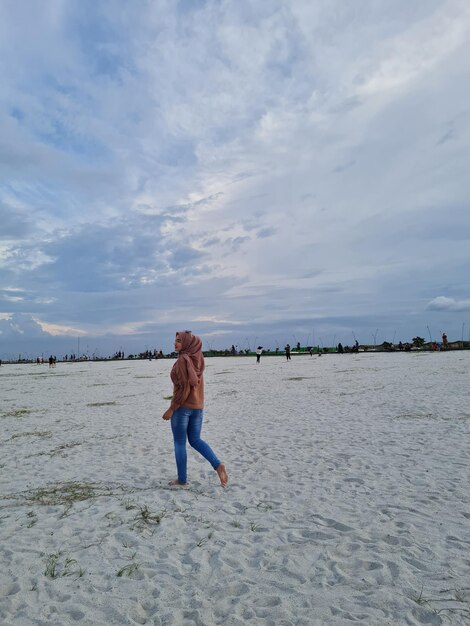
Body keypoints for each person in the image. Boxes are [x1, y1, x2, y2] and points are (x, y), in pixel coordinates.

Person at [162, 331, 228, 487]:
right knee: (196, 440)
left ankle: (182, 480)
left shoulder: (182, 361)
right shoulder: (198, 359)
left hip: (182, 408)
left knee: (179, 443)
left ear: (187, 344)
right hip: (198, 407)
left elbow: (183, 388)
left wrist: (172, 409)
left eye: (179, 341)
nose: (175, 343)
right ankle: (218, 465)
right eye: (175, 340)